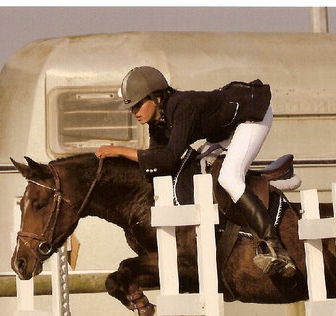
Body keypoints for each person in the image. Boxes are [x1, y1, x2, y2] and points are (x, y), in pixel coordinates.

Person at [95, 66, 296, 278]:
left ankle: (274, 245)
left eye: (138, 105)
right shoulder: (157, 122)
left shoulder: (183, 106)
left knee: (229, 177)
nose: (135, 112)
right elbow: (158, 161)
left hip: (251, 116)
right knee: (203, 166)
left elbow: (169, 157)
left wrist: (120, 150)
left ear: (158, 98)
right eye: (131, 108)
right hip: (226, 129)